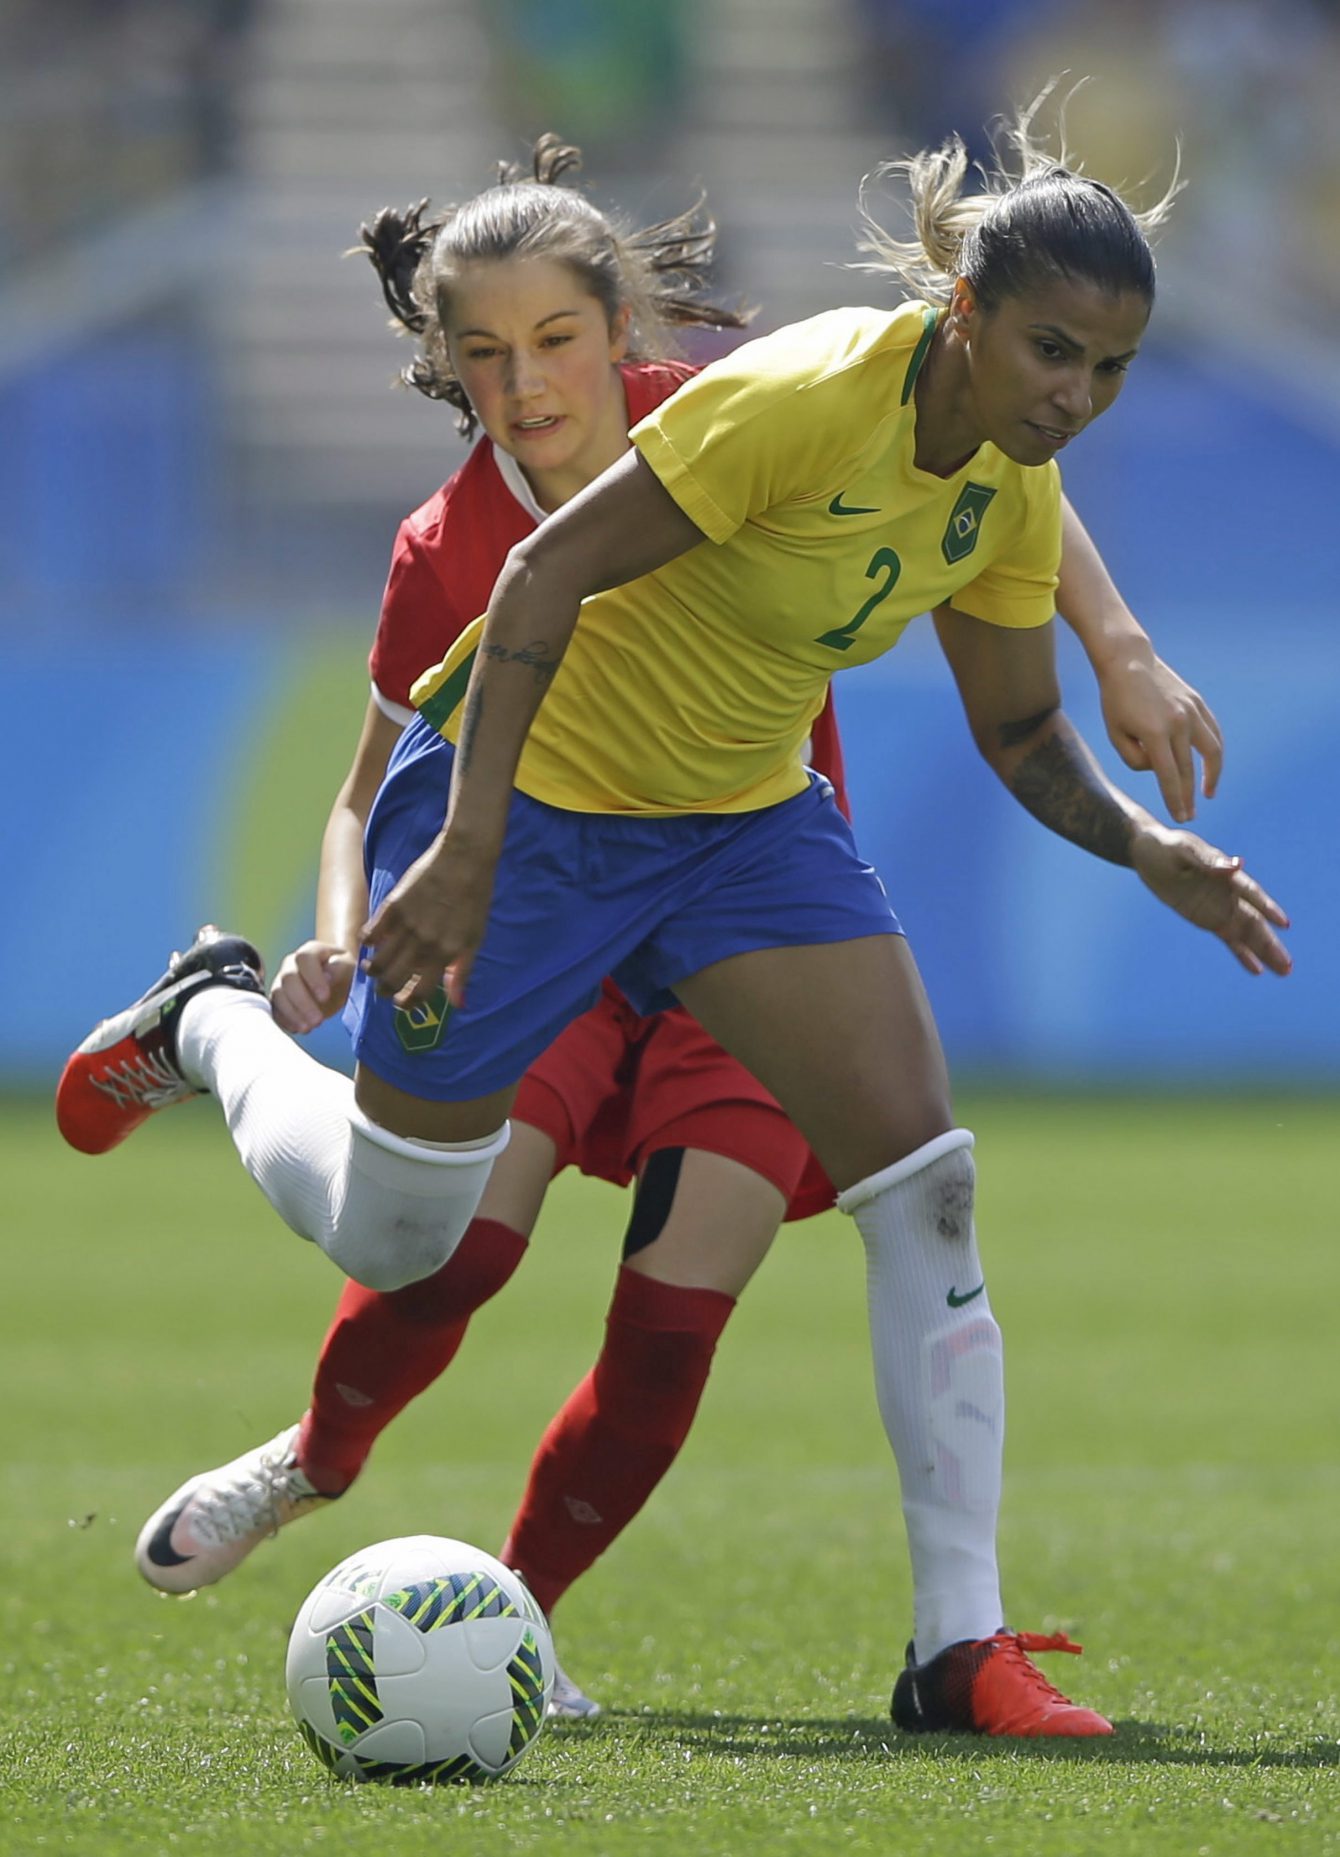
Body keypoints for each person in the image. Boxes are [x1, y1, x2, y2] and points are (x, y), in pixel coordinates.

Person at [56, 118, 1267, 1738]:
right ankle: (209, 1017)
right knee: (403, 1239)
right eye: (1055, 352)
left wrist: (1146, 845)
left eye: (1111, 368)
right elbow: (539, 581)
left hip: (743, 828)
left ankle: (955, 1647)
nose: (1078, 396)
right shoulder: (793, 398)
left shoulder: (1004, 477)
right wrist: (470, 845)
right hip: (537, 812)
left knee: (928, 1178)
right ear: (967, 314)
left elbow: (1019, 732)